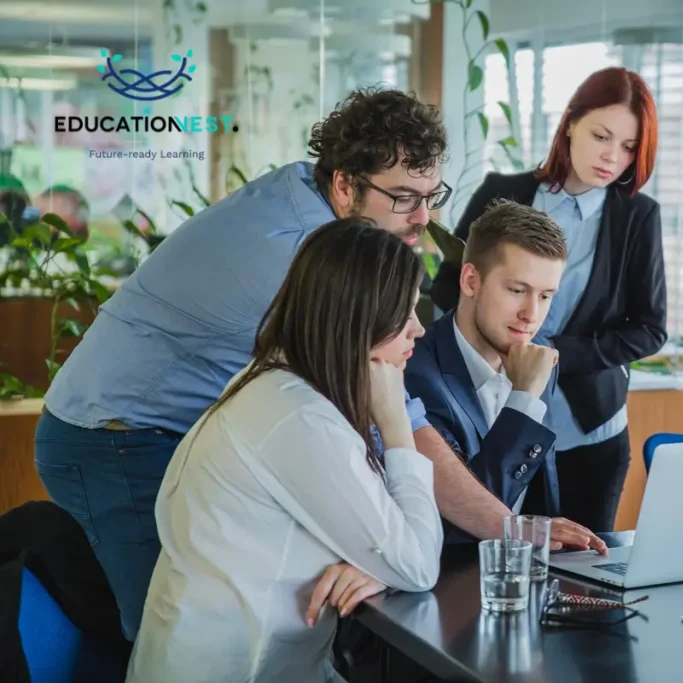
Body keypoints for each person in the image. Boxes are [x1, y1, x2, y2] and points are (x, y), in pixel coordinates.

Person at [35, 85, 592, 641]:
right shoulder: (298, 256)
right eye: (402, 198)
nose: (423, 218)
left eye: (430, 195)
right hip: (114, 433)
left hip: (181, 426)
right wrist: (510, 528)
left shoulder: (319, 196)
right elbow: (398, 415)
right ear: (346, 184)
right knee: (171, 627)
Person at [126, 218, 442, 683]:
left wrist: (380, 564)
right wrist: (397, 428)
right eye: (405, 312)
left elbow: (395, 547)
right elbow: (417, 563)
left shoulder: (280, 385)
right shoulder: (299, 419)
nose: (418, 329)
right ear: (358, 317)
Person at [431, 67, 667, 532]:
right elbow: (447, 285)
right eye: (601, 136)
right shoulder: (503, 192)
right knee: (489, 555)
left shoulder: (637, 216)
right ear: (571, 122)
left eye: (628, 148)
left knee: (582, 577)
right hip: (495, 417)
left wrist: (553, 355)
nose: (611, 157)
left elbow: (650, 328)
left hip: (588, 429)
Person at [407, 200, 608, 553]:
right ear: (471, 281)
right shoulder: (416, 373)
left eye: (545, 296)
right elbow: (468, 518)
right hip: (451, 577)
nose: (532, 315)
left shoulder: (539, 355)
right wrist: (525, 400)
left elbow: (536, 499)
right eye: (517, 290)